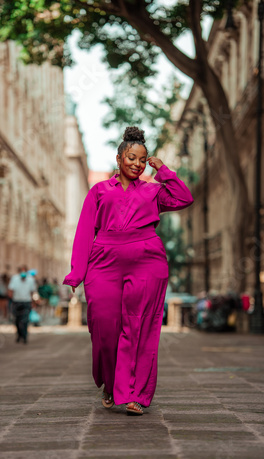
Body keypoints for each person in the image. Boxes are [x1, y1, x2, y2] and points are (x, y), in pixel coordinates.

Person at [63, 126, 194, 416]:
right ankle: (111, 383)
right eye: (131, 158)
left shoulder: (153, 190)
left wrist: (163, 169)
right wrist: (77, 272)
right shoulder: (99, 191)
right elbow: (85, 231)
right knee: (104, 325)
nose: (136, 164)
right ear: (120, 157)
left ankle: (135, 394)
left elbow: (184, 198)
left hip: (147, 260)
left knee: (140, 326)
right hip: (104, 261)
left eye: (142, 159)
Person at [8, 265, 37, 344]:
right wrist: (11, 299)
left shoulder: (31, 280)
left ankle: (24, 336)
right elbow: (10, 290)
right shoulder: (14, 279)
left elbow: (32, 292)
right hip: (16, 302)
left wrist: (33, 302)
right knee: (17, 320)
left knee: (25, 320)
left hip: (26, 302)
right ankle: (19, 335)